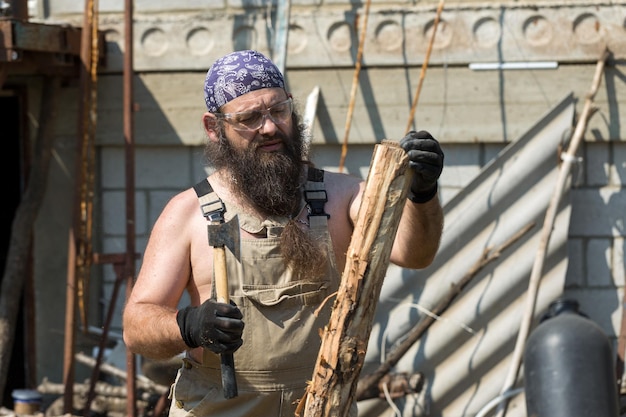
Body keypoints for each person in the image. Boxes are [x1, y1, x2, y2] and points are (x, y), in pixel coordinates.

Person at [122, 49, 444, 417]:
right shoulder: (190, 213)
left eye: (279, 110)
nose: (271, 127)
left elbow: (415, 255)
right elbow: (136, 327)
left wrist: (423, 194)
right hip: (218, 407)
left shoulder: (342, 196)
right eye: (249, 118)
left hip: (320, 403)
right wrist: (188, 325)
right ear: (214, 128)